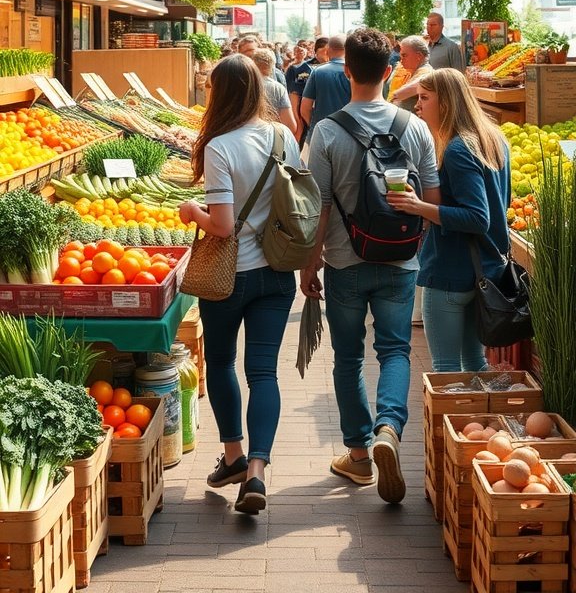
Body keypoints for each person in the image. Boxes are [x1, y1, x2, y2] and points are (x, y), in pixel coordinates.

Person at [301, 29, 440, 503]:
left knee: (347, 357)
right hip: (402, 260)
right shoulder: (414, 126)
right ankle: (389, 430)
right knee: (396, 351)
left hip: (344, 260)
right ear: (389, 71)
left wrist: (310, 262)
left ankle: (359, 457)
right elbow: (433, 199)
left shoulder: (326, 131)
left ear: (345, 72)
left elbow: (317, 204)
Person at [179, 54, 301, 515]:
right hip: (276, 272)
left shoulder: (218, 146)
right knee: (264, 372)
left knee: (223, 363)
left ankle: (232, 455)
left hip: (228, 278)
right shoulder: (282, 136)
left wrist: (192, 213)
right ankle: (256, 472)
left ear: (219, 93)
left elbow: (224, 226)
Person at [386, 68, 511, 373]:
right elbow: (496, 208)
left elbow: (477, 217)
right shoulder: (494, 140)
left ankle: (461, 422)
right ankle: (482, 420)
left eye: (425, 98)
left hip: (451, 272)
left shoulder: (457, 149)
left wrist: (418, 206)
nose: (417, 105)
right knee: (475, 363)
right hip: (485, 269)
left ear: (446, 103)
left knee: (446, 370)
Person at [300, 34, 351, 145]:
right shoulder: (354, 72)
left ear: (327, 50)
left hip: (320, 136)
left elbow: (305, 107)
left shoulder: (318, 72)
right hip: (348, 136)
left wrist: (313, 125)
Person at [252, 47, 297, 134]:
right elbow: (290, 125)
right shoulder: (278, 88)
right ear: (272, 65)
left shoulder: (245, 85)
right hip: (272, 138)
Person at [387, 35, 433, 112]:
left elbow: (397, 95)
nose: (401, 60)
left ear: (419, 56)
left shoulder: (427, 73)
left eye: (404, 55)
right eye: (401, 56)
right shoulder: (412, 71)